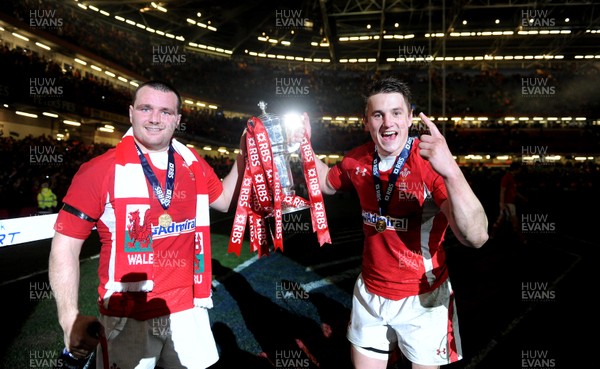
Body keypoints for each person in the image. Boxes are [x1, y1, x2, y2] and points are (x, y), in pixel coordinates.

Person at [48, 80, 244, 369]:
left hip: (189, 311)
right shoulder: (99, 170)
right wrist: (69, 319)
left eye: (165, 112)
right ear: (131, 113)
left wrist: (245, 152)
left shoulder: (193, 164)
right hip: (126, 317)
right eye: (146, 108)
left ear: (177, 120)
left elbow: (225, 200)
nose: (154, 118)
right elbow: (65, 245)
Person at [306, 77, 489, 369]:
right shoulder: (358, 159)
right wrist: (304, 145)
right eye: (378, 114)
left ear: (409, 118)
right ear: (366, 122)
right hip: (370, 293)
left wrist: (452, 171)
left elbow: (477, 236)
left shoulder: (429, 164)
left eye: (396, 112)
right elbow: (325, 184)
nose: (387, 122)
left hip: (423, 298)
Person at [491, 161, 526, 242]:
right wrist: (502, 203)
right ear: (516, 169)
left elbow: (513, 191)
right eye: (519, 169)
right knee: (514, 220)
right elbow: (502, 190)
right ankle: (522, 239)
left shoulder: (511, 177)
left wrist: (522, 197)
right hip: (508, 203)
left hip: (509, 202)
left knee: (500, 220)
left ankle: (492, 236)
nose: (520, 171)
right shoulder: (507, 177)